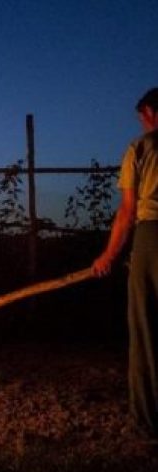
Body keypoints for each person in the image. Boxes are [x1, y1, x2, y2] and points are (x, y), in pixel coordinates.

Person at [92, 87, 158, 440]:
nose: (141, 123)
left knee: (147, 330)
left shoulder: (142, 149)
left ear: (151, 112)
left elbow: (128, 211)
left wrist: (109, 255)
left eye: (141, 117)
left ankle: (148, 420)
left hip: (153, 239)